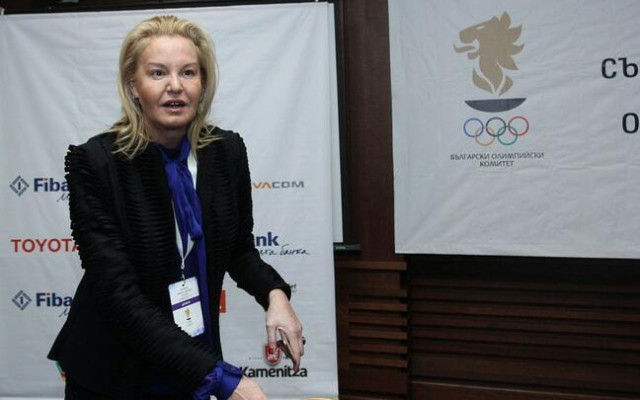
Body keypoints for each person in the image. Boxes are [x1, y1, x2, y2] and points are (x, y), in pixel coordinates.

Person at [48, 15, 304, 400]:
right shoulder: (97, 163)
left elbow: (239, 249)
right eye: (157, 73)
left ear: (203, 83)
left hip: (191, 359)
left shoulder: (226, 152)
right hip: (115, 370)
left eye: (188, 72)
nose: (175, 86)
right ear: (133, 86)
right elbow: (118, 295)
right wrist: (223, 380)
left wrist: (275, 295)